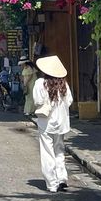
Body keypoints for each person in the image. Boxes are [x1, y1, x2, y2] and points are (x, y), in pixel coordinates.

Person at [33, 55, 73, 193]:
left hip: (46, 122)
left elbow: (37, 101)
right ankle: (62, 178)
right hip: (61, 122)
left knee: (47, 152)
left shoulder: (40, 83)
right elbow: (69, 101)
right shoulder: (64, 84)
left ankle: (52, 183)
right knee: (59, 151)